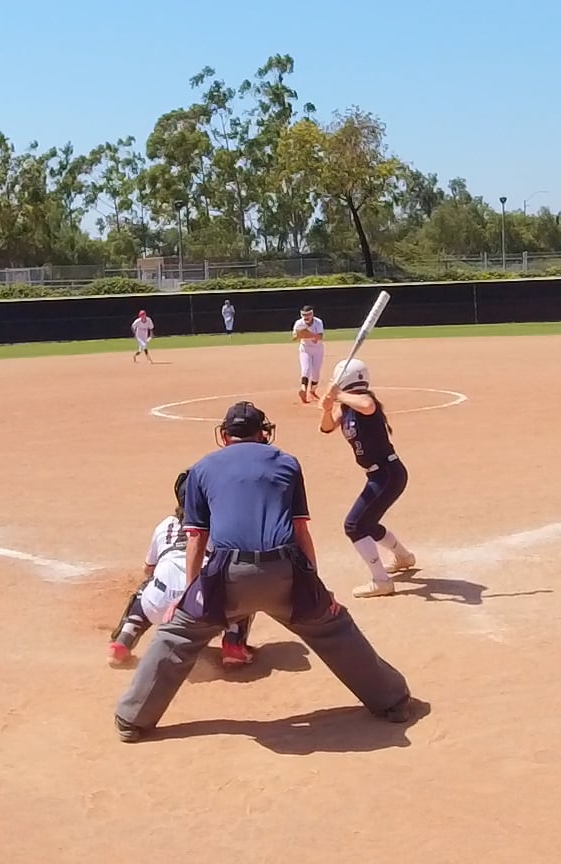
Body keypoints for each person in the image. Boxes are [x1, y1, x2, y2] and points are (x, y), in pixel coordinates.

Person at [112, 401, 413, 742]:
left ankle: (132, 719)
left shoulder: (201, 469)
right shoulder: (286, 462)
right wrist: (315, 588)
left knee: (177, 635)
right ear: (263, 433)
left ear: (225, 436)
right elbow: (300, 531)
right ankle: (392, 701)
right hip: (285, 572)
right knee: (333, 627)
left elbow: (196, 538)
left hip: (226, 576)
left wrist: (190, 596)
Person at [107, 469, 253, 668]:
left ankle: (123, 641)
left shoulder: (165, 525)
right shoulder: (222, 525)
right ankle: (233, 645)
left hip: (159, 606)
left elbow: (148, 568)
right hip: (203, 608)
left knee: (146, 588)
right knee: (241, 586)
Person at [320, 359, 418, 598]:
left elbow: (367, 405)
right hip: (380, 475)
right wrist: (327, 407)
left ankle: (381, 581)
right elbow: (326, 427)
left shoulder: (364, 401)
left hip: (387, 474)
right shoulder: (345, 407)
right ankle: (404, 557)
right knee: (368, 523)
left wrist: (337, 394)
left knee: (353, 526)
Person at [291, 304, 325, 403]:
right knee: (305, 369)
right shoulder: (299, 323)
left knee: (316, 372)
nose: (306, 317)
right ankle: (303, 390)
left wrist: (308, 334)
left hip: (318, 349)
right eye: (304, 315)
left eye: (308, 315)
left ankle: (312, 391)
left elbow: (320, 337)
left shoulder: (318, 322)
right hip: (305, 349)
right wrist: (299, 334)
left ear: (312, 314)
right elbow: (294, 337)